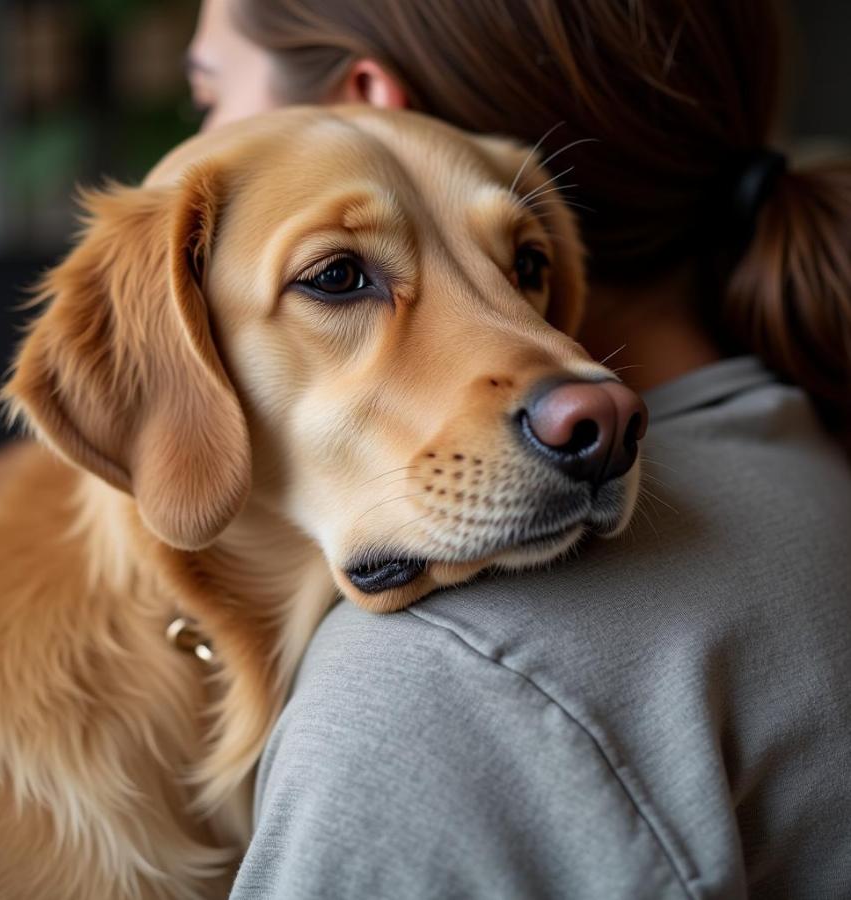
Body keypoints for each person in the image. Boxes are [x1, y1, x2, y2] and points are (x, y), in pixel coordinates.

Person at [186, 1, 851, 897]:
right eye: (338, 277)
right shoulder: (799, 443)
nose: (201, 144)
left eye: (210, 95)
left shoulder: (441, 681)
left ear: (370, 105)